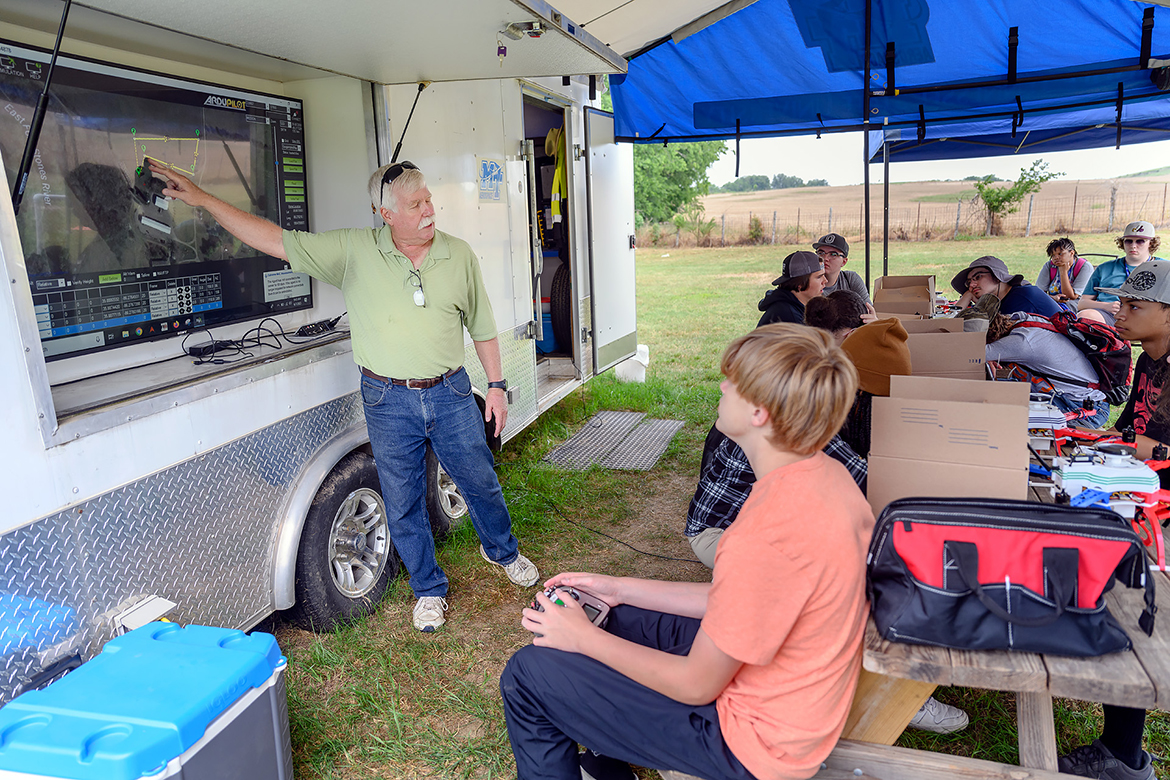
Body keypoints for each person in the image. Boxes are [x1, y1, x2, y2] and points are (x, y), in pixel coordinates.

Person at [147, 159, 538, 633]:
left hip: (450, 391)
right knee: (402, 499)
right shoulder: (354, 250)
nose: (429, 210)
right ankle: (428, 588)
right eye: (416, 204)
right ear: (386, 214)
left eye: (429, 200)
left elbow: (482, 326)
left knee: (480, 479)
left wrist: (495, 386)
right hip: (388, 399)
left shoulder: (458, 255)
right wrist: (202, 198)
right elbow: (274, 240)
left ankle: (503, 551)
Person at [501, 324, 874, 780]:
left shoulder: (766, 531)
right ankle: (605, 762)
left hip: (752, 744)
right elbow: (740, 598)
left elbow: (696, 685)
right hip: (791, 703)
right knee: (615, 617)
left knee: (528, 675)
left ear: (759, 412)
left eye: (732, 381)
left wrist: (583, 639)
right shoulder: (825, 476)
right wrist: (618, 588)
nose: (722, 387)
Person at [1056, 259, 1170, 780]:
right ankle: (1120, 748)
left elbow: (1151, 444)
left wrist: (1134, 444)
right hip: (1133, 498)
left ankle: (1124, 756)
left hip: (1158, 518)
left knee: (1132, 620)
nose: (1119, 313)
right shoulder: (1147, 360)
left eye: (1134, 306)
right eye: (1120, 302)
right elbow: (1128, 428)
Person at [984, 312, 1111, 428]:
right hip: (1086, 399)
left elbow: (975, 353)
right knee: (996, 391)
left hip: (1084, 408)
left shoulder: (1021, 343)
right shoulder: (1021, 318)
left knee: (998, 409)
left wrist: (989, 355)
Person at [1079, 221, 1164, 326]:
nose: (1133, 246)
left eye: (1140, 241)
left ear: (1151, 243)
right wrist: (1106, 306)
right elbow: (1082, 303)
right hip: (1110, 316)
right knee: (1085, 316)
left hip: (1149, 318)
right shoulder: (1104, 268)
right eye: (1128, 241)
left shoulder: (1164, 267)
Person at [952, 256, 1061, 317]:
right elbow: (953, 323)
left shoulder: (1021, 299)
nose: (972, 285)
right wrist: (968, 295)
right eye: (969, 282)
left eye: (978, 277)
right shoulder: (1002, 299)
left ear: (997, 276)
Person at [756, 250, 826, 326]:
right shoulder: (789, 317)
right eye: (819, 277)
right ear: (800, 284)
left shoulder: (795, 306)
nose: (825, 281)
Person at [1036, 237, 1093, 314]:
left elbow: (1071, 296)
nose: (1056, 258)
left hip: (1075, 303)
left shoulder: (1084, 267)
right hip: (1052, 300)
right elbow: (1039, 292)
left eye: (1060, 254)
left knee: (1060, 311)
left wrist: (1063, 272)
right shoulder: (1049, 266)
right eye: (1053, 255)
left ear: (1071, 253)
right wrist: (1053, 298)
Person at [814, 233, 871, 305]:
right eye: (821, 253)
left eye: (833, 254)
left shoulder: (850, 279)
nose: (825, 258)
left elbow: (868, 308)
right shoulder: (807, 282)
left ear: (844, 262)